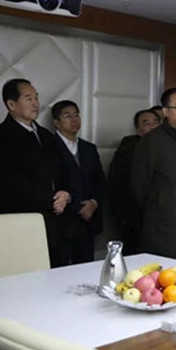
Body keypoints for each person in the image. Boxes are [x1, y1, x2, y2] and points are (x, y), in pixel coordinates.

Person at [0, 78, 71, 267]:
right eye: (28, 98)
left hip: (56, 223)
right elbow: (8, 182)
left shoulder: (46, 136)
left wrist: (65, 193)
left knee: (59, 271)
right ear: (11, 104)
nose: (35, 103)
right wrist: (51, 200)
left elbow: (62, 170)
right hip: (22, 223)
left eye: (36, 98)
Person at [131, 88, 176, 261]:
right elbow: (139, 186)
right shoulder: (152, 141)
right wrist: (159, 208)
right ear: (166, 112)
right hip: (163, 226)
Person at [51, 100, 106, 265]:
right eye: (67, 116)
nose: (74, 119)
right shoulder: (49, 146)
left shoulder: (88, 148)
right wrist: (77, 206)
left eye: (76, 115)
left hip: (88, 222)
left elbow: (100, 181)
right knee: (58, 270)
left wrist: (93, 203)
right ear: (56, 122)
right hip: (62, 222)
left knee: (86, 269)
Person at [108, 109, 161, 254]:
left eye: (156, 123)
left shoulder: (169, 148)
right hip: (134, 215)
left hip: (162, 216)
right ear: (138, 130)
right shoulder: (128, 149)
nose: (152, 127)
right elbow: (116, 184)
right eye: (146, 123)